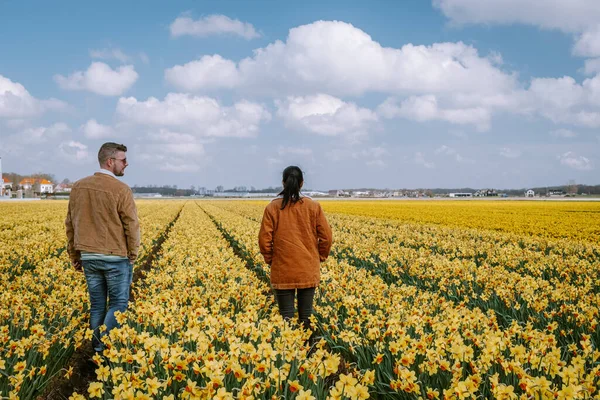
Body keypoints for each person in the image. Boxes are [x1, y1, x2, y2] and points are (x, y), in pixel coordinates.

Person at [65, 142, 140, 354]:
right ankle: (106, 347)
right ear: (110, 161)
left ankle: (97, 348)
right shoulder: (121, 189)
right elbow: (131, 224)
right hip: (115, 257)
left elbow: (70, 222)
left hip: (88, 256)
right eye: (123, 160)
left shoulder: (78, 186)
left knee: (97, 304)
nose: (126, 164)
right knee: (118, 304)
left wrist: (75, 254)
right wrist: (132, 254)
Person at [258, 166, 332, 333]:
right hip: (307, 268)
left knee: (286, 318)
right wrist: (319, 257)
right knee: (306, 317)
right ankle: (310, 353)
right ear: (302, 183)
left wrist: (271, 260)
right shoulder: (313, 206)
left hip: (282, 269)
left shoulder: (272, 208)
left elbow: (264, 240)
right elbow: (327, 237)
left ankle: (291, 356)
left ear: (283, 183)